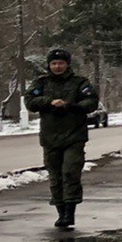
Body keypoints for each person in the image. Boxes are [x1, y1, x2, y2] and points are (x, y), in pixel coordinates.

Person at [24, 48, 99, 229]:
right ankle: (60, 212)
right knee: (55, 176)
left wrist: (71, 106)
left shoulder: (80, 82)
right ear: (49, 65)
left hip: (74, 136)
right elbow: (30, 102)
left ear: (67, 64)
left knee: (70, 172)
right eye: (54, 63)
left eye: (61, 63)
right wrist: (49, 102)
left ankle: (69, 212)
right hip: (50, 138)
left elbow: (91, 102)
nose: (57, 67)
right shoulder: (41, 83)